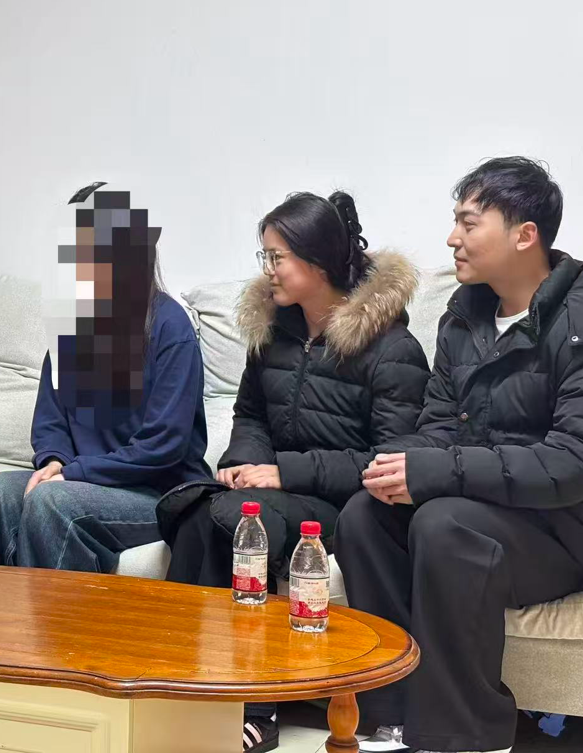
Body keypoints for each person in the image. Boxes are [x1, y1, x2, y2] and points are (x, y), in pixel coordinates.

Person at [341, 157, 583, 753]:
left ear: (525, 235)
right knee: (364, 514)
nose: (452, 238)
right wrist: (393, 466)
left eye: (469, 223)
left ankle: (468, 734)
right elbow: (439, 428)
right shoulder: (464, 317)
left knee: (445, 525)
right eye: (455, 221)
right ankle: (388, 716)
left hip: (576, 524)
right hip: (489, 504)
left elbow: (578, 462)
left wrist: (437, 472)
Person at [157, 190, 430, 753]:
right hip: (273, 491)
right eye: (266, 256)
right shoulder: (274, 333)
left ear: (318, 263)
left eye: (277, 257)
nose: (268, 269)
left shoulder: (392, 348)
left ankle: (256, 709)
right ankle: (181, 691)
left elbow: (390, 460)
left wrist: (283, 471)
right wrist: (244, 462)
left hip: (347, 504)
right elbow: (250, 414)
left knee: (243, 523)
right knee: (198, 514)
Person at [0, 183, 211, 572]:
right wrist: (54, 461)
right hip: (84, 482)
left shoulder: (171, 327)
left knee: (52, 501)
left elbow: (163, 446)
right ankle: (1, 612)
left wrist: (73, 474)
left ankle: (60, 615)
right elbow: (49, 423)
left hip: (159, 494)